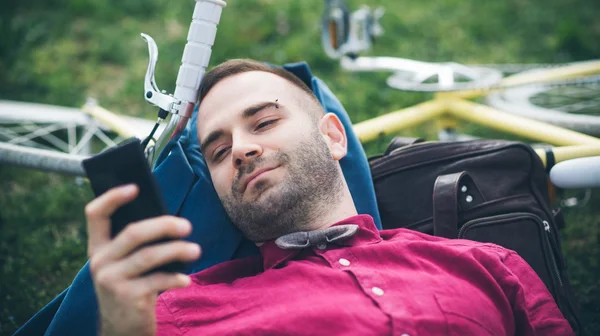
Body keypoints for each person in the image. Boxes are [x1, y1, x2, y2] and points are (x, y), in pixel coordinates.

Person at [85, 59, 574, 335]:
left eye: (264, 122)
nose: (242, 148)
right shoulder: (176, 314)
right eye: (217, 150)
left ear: (334, 137)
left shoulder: (488, 263)